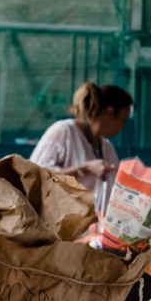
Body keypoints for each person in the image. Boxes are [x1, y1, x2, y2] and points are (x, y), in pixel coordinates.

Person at [30, 82, 132, 213]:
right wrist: (83, 168)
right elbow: (34, 176)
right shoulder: (64, 131)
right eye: (123, 119)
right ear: (109, 112)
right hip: (56, 228)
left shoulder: (107, 148)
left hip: (90, 229)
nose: (122, 127)